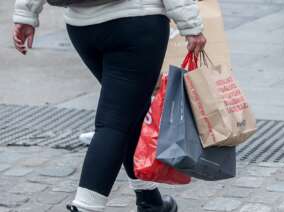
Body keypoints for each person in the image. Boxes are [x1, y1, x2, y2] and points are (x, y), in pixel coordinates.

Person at [12, 0, 207, 211]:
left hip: (83, 28)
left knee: (129, 109)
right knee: (115, 122)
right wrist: (191, 26)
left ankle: (149, 199)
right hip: (136, 24)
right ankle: (86, 206)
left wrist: (26, 14)